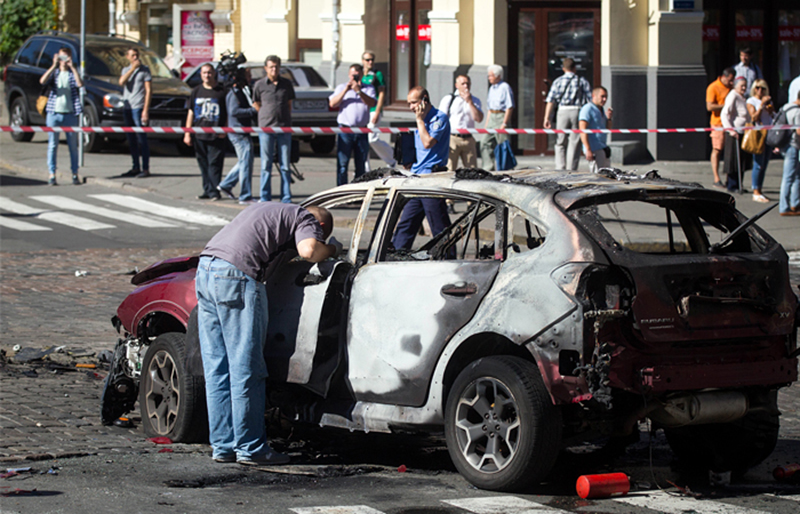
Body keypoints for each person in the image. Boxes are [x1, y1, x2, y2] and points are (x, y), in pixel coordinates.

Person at [196, 203, 342, 466]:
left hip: (206, 270)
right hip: (236, 277)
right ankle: (251, 448)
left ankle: (223, 445)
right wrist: (331, 249)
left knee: (218, 367)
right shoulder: (305, 217)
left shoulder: (270, 210)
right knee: (246, 368)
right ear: (319, 227)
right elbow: (309, 251)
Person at [390, 87, 451, 250]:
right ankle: (397, 254)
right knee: (407, 222)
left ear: (424, 100)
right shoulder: (421, 120)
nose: (411, 107)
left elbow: (427, 142)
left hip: (432, 178)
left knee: (438, 224)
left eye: (414, 103)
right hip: (417, 177)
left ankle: (448, 256)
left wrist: (420, 120)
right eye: (408, 103)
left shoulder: (439, 118)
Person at [252, 55, 296, 203]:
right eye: (271, 67)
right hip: (266, 128)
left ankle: (286, 196)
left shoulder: (286, 84)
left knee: (285, 164)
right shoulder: (259, 85)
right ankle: (265, 197)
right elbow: (256, 103)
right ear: (266, 68)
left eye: (276, 67)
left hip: (284, 127)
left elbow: (289, 104)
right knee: (266, 164)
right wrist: (265, 115)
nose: (274, 69)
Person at [39, 46, 83, 186]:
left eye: (66, 57)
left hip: (70, 114)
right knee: (52, 145)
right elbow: (42, 81)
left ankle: (75, 173)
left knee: (72, 146)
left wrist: (73, 67)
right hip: (54, 113)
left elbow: (80, 84)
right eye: (61, 57)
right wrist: (53, 65)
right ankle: (52, 174)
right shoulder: (55, 73)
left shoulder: (71, 73)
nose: (63, 61)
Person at [184, 63, 227, 200]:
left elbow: (227, 112)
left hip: (216, 134)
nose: (207, 75)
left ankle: (214, 191)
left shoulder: (221, 91)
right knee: (203, 164)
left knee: (215, 164)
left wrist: (225, 129)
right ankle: (207, 190)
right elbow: (191, 112)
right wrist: (187, 133)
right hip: (199, 134)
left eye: (209, 73)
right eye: (204, 73)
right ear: (200, 75)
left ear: (214, 74)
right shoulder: (196, 91)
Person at [328, 64, 376, 185]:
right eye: (352, 75)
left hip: (361, 130)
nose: (354, 78)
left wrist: (359, 91)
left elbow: (372, 103)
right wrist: (346, 90)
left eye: (357, 75)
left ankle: (358, 191)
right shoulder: (341, 87)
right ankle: (341, 190)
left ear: (361, 75)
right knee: (342, 165)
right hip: (345, 130)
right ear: (349, 75)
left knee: (361, 165)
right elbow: (332, 103)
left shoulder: (368, 88)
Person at [543, 58, 592, 170]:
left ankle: (560, 167)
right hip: (577, 110)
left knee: (560, 141)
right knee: (574, 141)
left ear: (563, 68)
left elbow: (550, 100)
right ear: (574, 68)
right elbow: (590, 100)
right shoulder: (581, 81)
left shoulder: (558, 81)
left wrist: (547, 117)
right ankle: (571, 168)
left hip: (562, 111)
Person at [218, 69, 257, 204]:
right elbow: (234, 111)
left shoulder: (241, 91)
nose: (250, 79)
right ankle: (245, 195)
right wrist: (253, 110)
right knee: (246, 163)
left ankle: (226, 184)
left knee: (244, 161)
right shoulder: (234, 93)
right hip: (238, 132)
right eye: (248, 76)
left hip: (242, 131)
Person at [118, 47, 152, 178]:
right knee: (131, 139)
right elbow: (121, 82)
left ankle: (145, 168)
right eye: (132, 55)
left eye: (137, 55)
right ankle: (135, 166)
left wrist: (145, 110)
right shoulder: (126, 70)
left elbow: (148, 90)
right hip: (128, 107)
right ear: (128, 57)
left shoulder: (145, 70)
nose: (135, 57)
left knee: (141, 138)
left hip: (138, 107)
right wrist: (132, 69)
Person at [438, 74, 483, 170]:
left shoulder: (475, 100)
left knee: (472, 170)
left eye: (468, 84)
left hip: (468, 138)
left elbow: (478, 119)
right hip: (453, 138)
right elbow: (441, 119)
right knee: (449, 169)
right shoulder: (449, 99)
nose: (466, 86)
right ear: (456, 85)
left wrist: (470, 102)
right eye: (463, 84)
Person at [361, 51, 396, 170]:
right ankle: (365, 167)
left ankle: (391, 158)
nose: (370, 62)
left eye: (372, 60)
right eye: (367, 60)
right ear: (363, 61)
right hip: (362, 111)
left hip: (373, 109)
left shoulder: (377, 74)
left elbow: (381, 94)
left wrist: (377, 111)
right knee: (363, 140)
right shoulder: (360, 74)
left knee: (372, 139)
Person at [745, 79, 775, 203]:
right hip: (758, 134)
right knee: (758, 164)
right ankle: (755, 191)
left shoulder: (768, 101)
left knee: (765, 163)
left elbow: (773, 117)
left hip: (768, 134)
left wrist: (770, 109)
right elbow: (754, 117)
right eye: (757, 88)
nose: (760, 90)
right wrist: (761, 105)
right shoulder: (751, 101)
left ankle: (760, 190)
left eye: (763, 88)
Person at [481, 65, 514, 171]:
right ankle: (488, 167)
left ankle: (505, 169)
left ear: (498, 76)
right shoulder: (491, 88)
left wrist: (504, 123)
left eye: (491, 75)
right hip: (492, 116)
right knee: (484, 142)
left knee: (502, 145)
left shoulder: (505, 87)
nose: (489, 78)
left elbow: (509, 106)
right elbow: (489, 109)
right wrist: (487, 124)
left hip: (501, 116)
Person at [706, 68, 735, 187]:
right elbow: (709, 107)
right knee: (717, 149)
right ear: (723, 77)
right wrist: (725, 106)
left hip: (730, 122)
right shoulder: (713, 87)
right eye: (729, 80)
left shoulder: (732, 88)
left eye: (733, 80)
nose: (731, 83)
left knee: (730, 151)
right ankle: (716, 178)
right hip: (718, 123)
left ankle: (730, 178)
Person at [721, 77, 751, 192]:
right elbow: (724, 114)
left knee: (741, 159)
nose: (744, 88)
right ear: (736, 85)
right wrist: (730, 130)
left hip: (743, 132)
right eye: (741, 85)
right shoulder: (732, 95)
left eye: (745, 85)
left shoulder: (742, 97)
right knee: (733, 160)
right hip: (734, 133)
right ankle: (732, 185)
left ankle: (739, 184)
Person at [579, 86, 613, 174]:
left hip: (602, 147)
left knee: (607, 175)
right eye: (602, 96)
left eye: (606, 97)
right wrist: (588, 149)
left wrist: (609, 119)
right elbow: (582, 130)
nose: (604, 99)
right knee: (597, 175)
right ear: (594, 96)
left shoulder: (601, 110)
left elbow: (607, 129)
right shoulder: (587, 109)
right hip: (594, 148)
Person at [778, 91, 800, 216]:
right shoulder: (797, 111)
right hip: (792, 145)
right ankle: (784, 207)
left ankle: (795, 203)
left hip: (785, 145)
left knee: (796, 176)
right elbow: (799, 131)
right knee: (788, 177)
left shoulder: (786, 106)